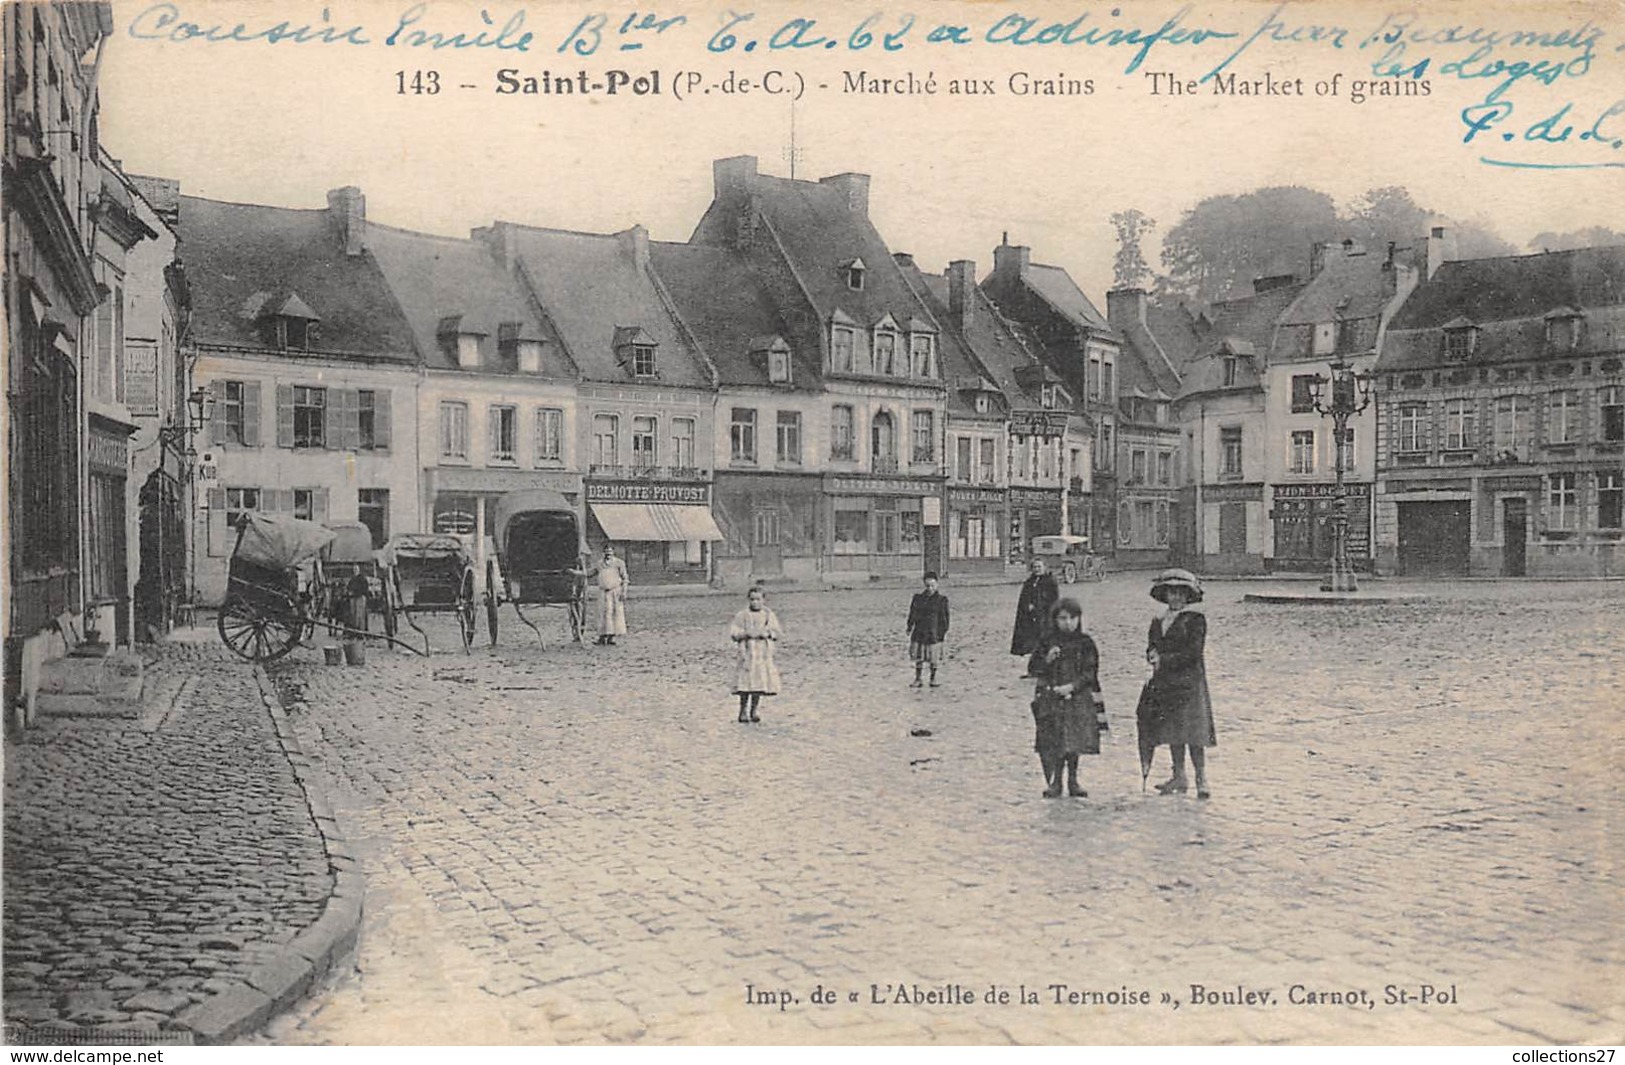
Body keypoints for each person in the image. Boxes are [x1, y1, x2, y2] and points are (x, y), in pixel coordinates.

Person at [1135, 569, 1217, 799]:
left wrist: (1165, 659)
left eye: (1181, 593)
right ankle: (1179, 774)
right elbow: (1152, 645)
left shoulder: (1195, 620)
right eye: (1172, 593)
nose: (1176, 598)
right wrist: (1151, 654)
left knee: (1193, 732)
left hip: (1189, 683)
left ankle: (1201, 777)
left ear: (1189, 596)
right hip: (1165, 683)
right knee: (1173, 730)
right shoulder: (1158, 621)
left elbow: (1193, 652)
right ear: (1165, 595)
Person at [1027, 598, 1103, 798]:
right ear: (1055, 620)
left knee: (1073, 740)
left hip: (1077, 698)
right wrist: (1047, 659)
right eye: (1062, 618)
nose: (1067, 623)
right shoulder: (1047, 641)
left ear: (1079, 619)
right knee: (1056, 739)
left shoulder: (1085, 643)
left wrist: (1072, 686)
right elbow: (1033, 668)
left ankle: (1073, 780)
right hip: (1052, 697)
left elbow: (1090, 672)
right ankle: (1056, 781)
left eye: (1072, 618)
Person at [728, 585, 782, 723]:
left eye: (758, 599)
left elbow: (776, 631)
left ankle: (754, 710)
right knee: (745, 682)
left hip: (762, 653)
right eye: (752, 599)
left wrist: (767, 633)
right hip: (747, 651)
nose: (755, 602)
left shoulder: (768, 615)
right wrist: (744, 634)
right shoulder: (742, 615)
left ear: (763, 600)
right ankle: (742, 710)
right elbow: (734, 631)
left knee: (758, 682)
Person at [905, 571, 951, 688]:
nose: (930, 588)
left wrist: (942, 632)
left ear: (937, 585)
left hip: (933, 632)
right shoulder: (918, 599)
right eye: (927, 586)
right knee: (919, 657)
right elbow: (913, 614)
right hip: (920, 631)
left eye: (932, 585)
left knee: (933, 658)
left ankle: (933, 678)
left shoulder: (942, 600)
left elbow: (945, 618)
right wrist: (910, 626)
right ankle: (918, 678)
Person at [1010, 556, 1060, 659]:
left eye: (1039, 567)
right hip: (1030, 613)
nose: (1037, 569)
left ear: (1044, 567)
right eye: (1035, 567)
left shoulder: (1050, 581)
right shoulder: (1030, 581)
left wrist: (1038, 605)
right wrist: (1027, 605)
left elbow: (1053, 598)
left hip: (1045, 612)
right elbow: (1025, 597)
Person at [586, 544, 629, 646]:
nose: (608, 554)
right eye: (606, 552)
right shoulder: (599, 564)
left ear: (613, 552)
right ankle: (602, 637)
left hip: (615, 592)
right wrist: (575, 572)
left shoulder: (619, 563)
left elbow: (625, 579)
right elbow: (589, 573)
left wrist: (624, 592)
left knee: (614, 613)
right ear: (603, 552)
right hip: (603, 593)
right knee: (603, 614)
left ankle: (612, 637)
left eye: (610, 552)